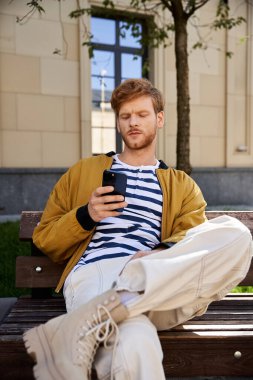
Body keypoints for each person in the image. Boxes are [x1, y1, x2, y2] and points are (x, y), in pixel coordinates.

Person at [23, 78, 252, 380]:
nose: (133, 122)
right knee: (135, 339)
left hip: (158, 279)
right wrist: (86, 215)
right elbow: (45, 239)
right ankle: (119, 300)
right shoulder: (84, 171)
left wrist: (157, 253)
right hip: (99, 272)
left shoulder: (181, 185)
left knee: (237, 234)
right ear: (118, 123)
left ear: (159, 119)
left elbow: (192, 243)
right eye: (125, 116)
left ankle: (102, 308)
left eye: (141, 115)